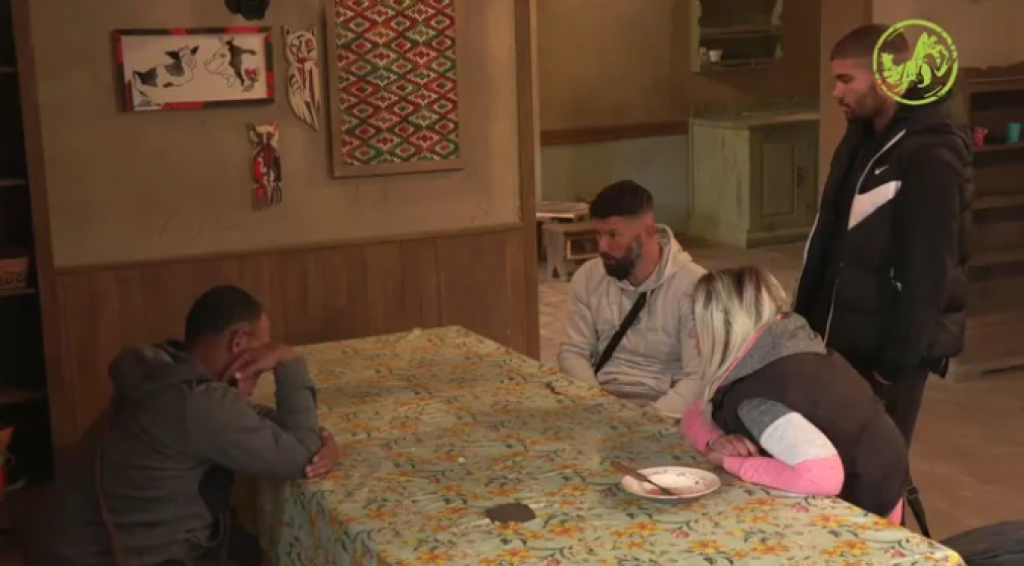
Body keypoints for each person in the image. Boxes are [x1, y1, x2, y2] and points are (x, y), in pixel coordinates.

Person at [42, 285, 337, 566]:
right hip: (110, 558)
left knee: (252, 545)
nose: (265, 364)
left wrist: (310, 437)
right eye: (263, 350)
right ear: (239, 341)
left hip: (78, 546)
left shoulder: (168, 373)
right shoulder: (200, 404)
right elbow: (303, 454)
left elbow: (256, 423)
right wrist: (288, 359)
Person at [793, 23, 971, 445]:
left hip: (885, 356)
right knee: (828, 462)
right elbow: (830, 240)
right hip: (840, 342)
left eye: (846, 80)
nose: (836, 93)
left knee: (877, 468)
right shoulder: (860, 139)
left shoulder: (931, 153)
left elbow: (929, 271)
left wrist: (892, 366)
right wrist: (804, 324)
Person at [681, 267, 909, 524]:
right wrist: (716, 440)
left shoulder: (757, 398)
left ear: (723, 327)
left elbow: (821, 477)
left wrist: (728, 461)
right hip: (880, 478)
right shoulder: (784, 347)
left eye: (697, 322)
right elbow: (693, 413)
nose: (692, 333)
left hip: (862, 509)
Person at [558, 180, 707, 420]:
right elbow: (573, 352)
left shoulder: (694, 286)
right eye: (598, 234)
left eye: (613, 235)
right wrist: (596, 404)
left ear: (648, 233)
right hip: (600, 399)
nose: (602, 247)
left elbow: (699, 376)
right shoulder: (588, 276)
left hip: (665, 409)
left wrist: (649, 419)